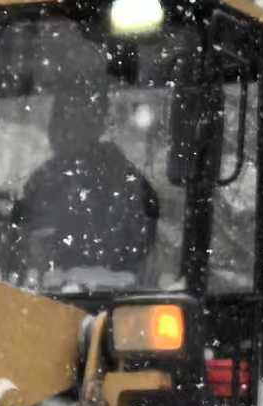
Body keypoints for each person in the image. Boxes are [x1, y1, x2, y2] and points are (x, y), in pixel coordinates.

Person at [14, 80, 160, 280]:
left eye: (72, 121)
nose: (59, 131)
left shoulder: (121, 177)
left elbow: (138, 247)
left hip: (108, 290)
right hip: (49, 290)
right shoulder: (43, 178)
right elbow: (20, 235)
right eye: (57, 119)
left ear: (95, 126)